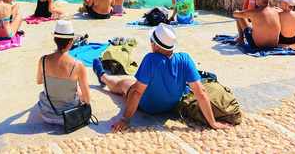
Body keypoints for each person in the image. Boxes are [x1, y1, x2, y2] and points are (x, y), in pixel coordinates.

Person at [92, 23, 230, 132]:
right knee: (136, 83)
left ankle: (103, 76)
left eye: (151, 41)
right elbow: (201, 92)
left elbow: (137, 92)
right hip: (173, 104)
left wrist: (125, 119)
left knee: (124, 84)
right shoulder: (185, 59)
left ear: (156, 45)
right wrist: (213, 123)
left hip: (149, 106)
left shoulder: (151, 59)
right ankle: (103, 76)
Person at [37, 20, 91, 125]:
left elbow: (39, 81)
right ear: (71, 42)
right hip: (70, 117)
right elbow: (87, 100)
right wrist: (79, 93)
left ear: (54, 40)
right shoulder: (78, 65)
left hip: (46, 116)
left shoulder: (43, 60)